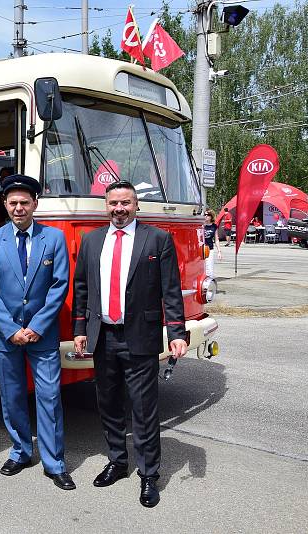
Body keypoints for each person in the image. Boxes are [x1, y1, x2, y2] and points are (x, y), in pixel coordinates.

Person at [72, 180, 187, 508]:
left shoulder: (158, 239)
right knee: (108, 404)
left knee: (143, 409)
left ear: (136, 205)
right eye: (113, 203)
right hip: (103, 337)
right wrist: (80, 328)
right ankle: (117, 461)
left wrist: (177, 333)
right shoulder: (92, 241)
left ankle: (149, 474)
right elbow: (82, 288)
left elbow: (171, 291)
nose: (119, 209)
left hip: (140, 337)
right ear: (106, 206)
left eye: (126, 203)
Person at [0, 174, 75, 491]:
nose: (19, 208)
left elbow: (59, 286)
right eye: (13, 203)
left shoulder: (55, 238)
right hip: (6, 337)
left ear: (35, 204)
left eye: (25, 202)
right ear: (5, 205)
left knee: (49, 398)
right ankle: (20, 451)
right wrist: (11, 329)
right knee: (13, 396)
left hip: (42, 335)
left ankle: (54, 463)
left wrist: (35, 327)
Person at [203, 209, 222, 277]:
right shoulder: (201, 225)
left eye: (207, 215)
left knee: (209, 267)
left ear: (211, 216)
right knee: (202, 267)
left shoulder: (214, 226)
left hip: (209, 249)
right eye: (204, 215)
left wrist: (219, 251)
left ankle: (210, 281)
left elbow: (216, 239)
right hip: (201, 249)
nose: (205, 216)